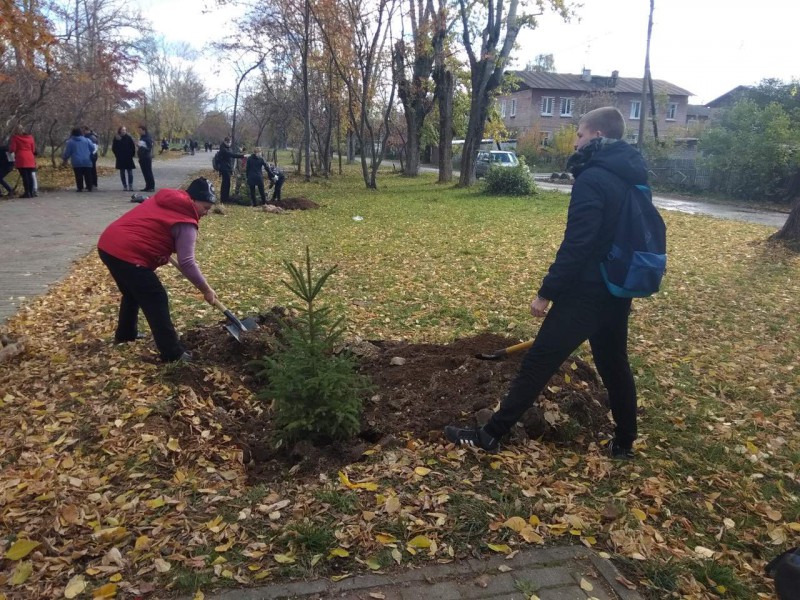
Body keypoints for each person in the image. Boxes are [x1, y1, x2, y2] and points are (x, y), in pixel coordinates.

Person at [444, 107, 647, 460]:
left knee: (538, 362)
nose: (577, 140)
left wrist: (546, 293)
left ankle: (490, 435)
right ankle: (625, 443)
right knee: (615, 365)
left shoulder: (593, 178)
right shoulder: (630, 173)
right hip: (617, 287)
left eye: (580, 134)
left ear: (596, 136)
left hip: (586, 290)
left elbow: (578, 243)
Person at [97, 177, 219, 363]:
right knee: (156, 297)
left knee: (132, 293)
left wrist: (159, 248)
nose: (207, 213)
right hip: (127, 253)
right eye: (205, 207)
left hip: (108, 245)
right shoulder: (186, 221)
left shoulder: (168, 200)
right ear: (193, 201)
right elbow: (187, 262)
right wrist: (206, 290)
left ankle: (126, 334)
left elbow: (151, 226)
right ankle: (172, 353)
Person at [62, 127, 96, 192]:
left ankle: (80, 188)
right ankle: (89, 187)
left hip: (76, 161)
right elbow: (92, 148)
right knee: (88, 174)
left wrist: (65, 158)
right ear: (81, 133)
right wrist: (89, 152)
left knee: (78, 175)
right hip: (87, 160)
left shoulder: (70, 142)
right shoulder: (87, 140)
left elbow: (67, 152)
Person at [9, 124, 37, 198]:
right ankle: (31, 192)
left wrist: (10, 150)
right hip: (30, 157)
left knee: (25, 176)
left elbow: (13, 149)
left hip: (21, 158)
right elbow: (33, 149)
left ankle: (27, 192)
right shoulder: (30, 137)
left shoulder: (15, 138)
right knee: (30, 175)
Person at [216, 136, 244, 204]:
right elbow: (231, 154)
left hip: (228, 168)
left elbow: (232, 153)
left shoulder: (228, 148)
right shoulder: (223, 149)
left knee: (227, 183)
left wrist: (240, 151)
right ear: (224, 142)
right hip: (224, 168)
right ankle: (224, 199)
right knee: (225, 183)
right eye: (228, 142)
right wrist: (242, 156)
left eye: (230, 142)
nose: (229, 143)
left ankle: (225, 197)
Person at [111, 126, 137, 191]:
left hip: (128, 157)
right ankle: (124, 185)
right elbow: (114, 148)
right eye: (123, 130)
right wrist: (117, 155)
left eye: (125, 130)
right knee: (122, 172)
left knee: (130, 172)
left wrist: (132, 154)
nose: (124, 131)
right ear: (120, 130)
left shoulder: (128, 138)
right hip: (120, 158)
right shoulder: (117, 138)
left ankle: (130, 185)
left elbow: (132, 147)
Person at [138, 125, 155, 192]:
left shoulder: (148, 138)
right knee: (144, 172)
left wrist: (140, 147)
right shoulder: (141, 138)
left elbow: (149, 149)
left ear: (143, 130)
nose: (139, 132)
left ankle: (151, 187)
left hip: (146, 157)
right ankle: (147, 186)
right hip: (141, 157)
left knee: (148, 172)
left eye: (140, 130)